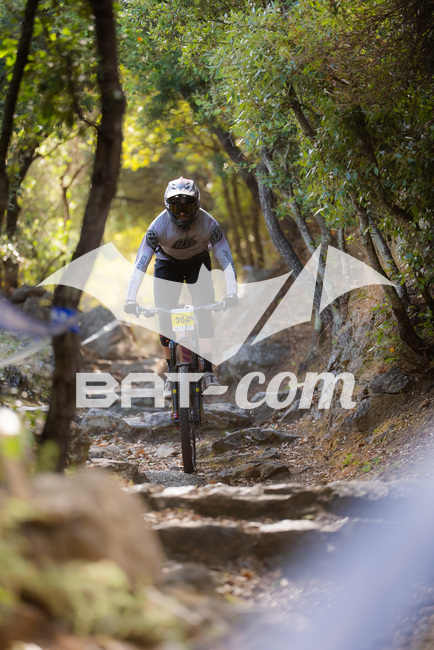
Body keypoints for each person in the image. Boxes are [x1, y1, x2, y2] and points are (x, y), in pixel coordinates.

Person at [124, 176, 238, 397]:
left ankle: (208, 371)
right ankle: (170, 374)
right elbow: (140, 265)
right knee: (165, 318)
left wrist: (232, 292)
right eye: (177, 208)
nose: (183, 214)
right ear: (168, 207)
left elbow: (226, 260)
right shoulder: (157, 227)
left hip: (198, 264)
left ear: (197, 205)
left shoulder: (209, 224)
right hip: (167, 265)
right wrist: (130, 298)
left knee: (204, 311)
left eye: (187, 207)